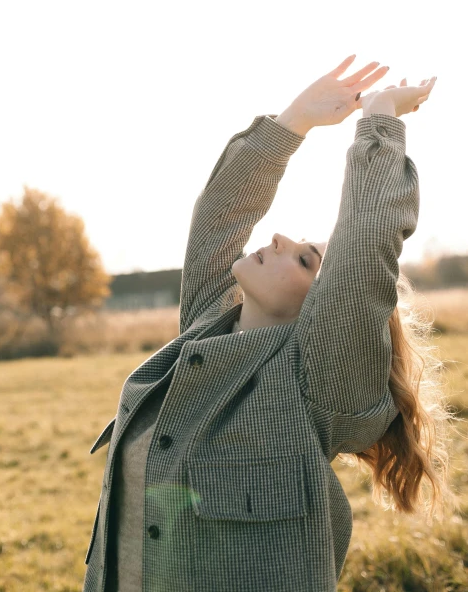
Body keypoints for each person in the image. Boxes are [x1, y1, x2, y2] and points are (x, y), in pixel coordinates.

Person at [83, 55, 451, 592]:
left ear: (326, 309)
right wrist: (294, 120)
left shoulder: (317, 383)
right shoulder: (205, 328)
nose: (279, 239)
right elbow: (220, 212)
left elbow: (364, 251)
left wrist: (379, 122)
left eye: (304, 259)